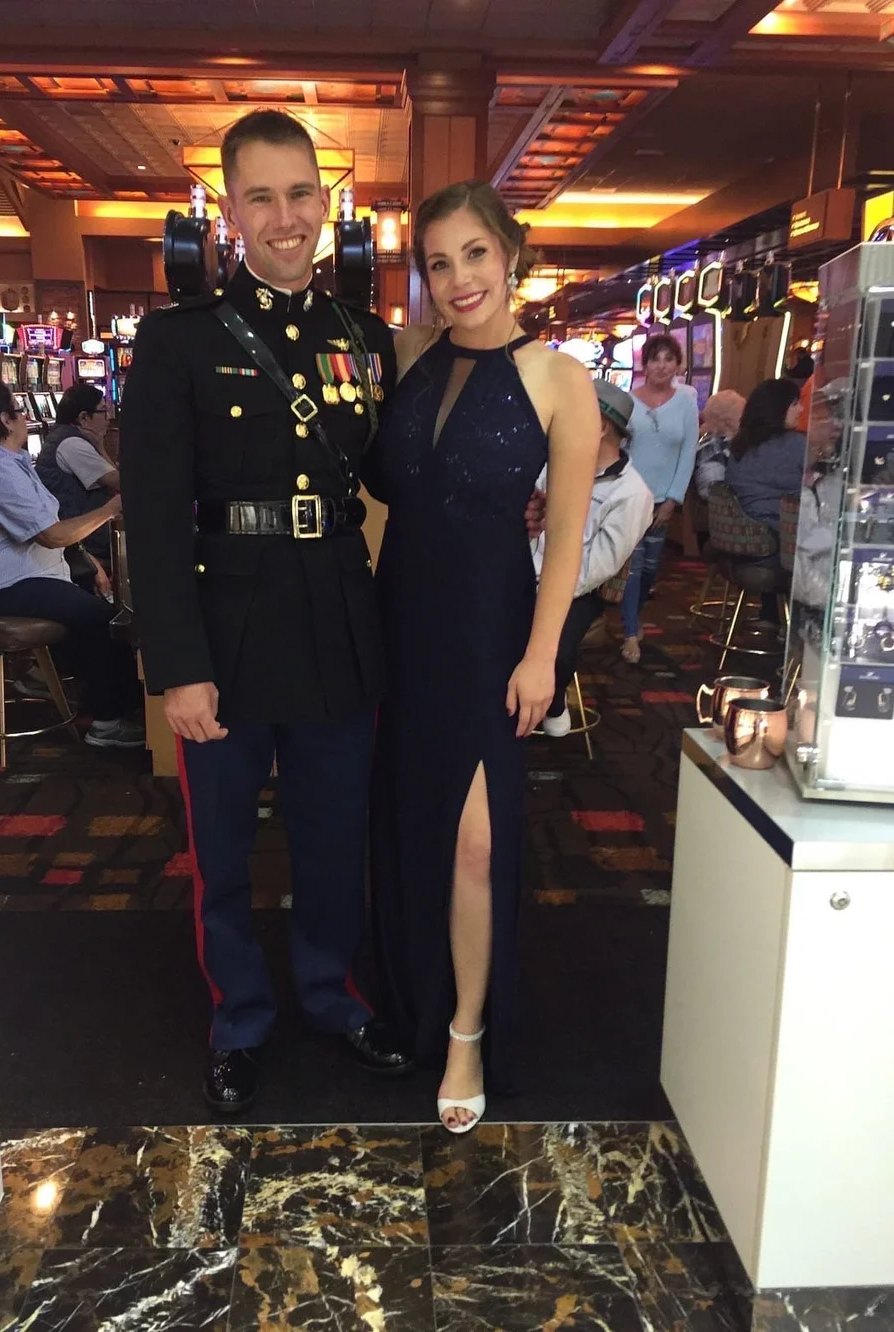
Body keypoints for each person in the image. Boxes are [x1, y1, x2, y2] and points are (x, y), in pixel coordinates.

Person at [118, 110, 412, 1116]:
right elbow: (153, 519)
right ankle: (239, 1018)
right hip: (224, 629)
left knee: (336, 837)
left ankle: (331, 996)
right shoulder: (176, 341)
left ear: (324, 201)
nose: (284, 219)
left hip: (334, 617)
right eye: (260, 197)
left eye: (300, 194)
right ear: (228, 212)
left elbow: (386, 473)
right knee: (226, 853)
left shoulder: (362, 338)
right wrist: (175, 665)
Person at [365, 180, 599, 1132]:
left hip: (492, 627)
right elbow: (378, 487)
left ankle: (466, 1027)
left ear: (510, 254)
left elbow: (571, 534)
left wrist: (541, 655)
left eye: (474, 254)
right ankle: (416, 993)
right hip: (401, 621)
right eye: (437, 262)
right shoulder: (408, 363)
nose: (459, 278)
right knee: (411, 823)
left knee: (478, 837)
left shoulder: (558, 376)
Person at [0, 380, 144, 748]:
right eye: (20, 411)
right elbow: (51, 536)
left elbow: (50, 532)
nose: (27, 418)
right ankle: (107, 722)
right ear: (6, 420)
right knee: (99, 617)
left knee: (104, 605)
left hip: (26, 575)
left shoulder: (10, 463)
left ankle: (70, 684)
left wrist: (87, 562)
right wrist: (109, 510)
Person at [532, 379, 653, 737]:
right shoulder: (551, 463)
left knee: (550, 647)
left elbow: (597, 568)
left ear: (600, 427)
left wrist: (541, 589)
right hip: (525, 574)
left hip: (578, 592)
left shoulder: (633, 494)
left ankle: (550, 703)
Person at [620, 333, 699, 664]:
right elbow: (618, 449)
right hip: (630, 497)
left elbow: (688, 454)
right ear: (645, 364)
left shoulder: (686, 402)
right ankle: (629, 633)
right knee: (633, 569)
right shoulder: (627, 401)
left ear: (678, 365)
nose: (663, 365)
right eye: (656, 359)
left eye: (669, 359)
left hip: (664, 498)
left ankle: (634, 617)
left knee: (651, 569)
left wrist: (673, 500)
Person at [725, 377, 807, 625]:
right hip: (777, 553)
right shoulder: (797, 446)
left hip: (736, 547)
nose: (802, 409)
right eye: (796, 404)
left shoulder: (740, 445)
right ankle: (806, 630)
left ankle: (772, 614)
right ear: (779, 407)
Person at [36, 383, 119, 566]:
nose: (108, 418)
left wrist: (99, 446)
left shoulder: (68, 437)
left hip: (82, 533)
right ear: (84, 418)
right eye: (103, 411)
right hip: (82, 541)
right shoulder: (72, 444)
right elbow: (120, 483)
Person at [693, 389, 745, 501]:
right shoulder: (711, 450)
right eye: (743, 415)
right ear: (729, 421)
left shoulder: (733, 444)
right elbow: (713, 494)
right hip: (726, 515)